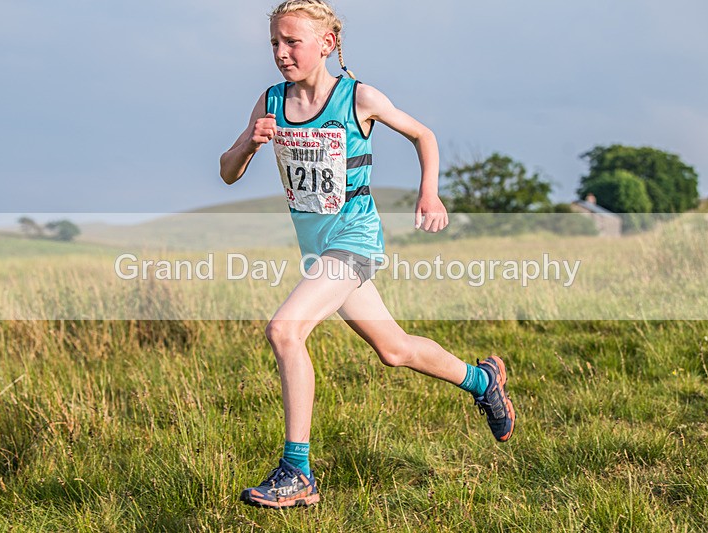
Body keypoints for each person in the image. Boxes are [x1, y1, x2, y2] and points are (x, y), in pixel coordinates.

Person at [219, 0, 515, 509]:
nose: (281, 53)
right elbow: (227, 171)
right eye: (274, 43)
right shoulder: (269, 102)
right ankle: (481, 379)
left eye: (293, 42)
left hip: (354, 242)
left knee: (285, 330)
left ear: (327, 44)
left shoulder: (358, 97)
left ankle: (298, 471)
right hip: (319, 252)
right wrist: (250, 140)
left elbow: (424, 134)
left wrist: (430, 193)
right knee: (394, 350)